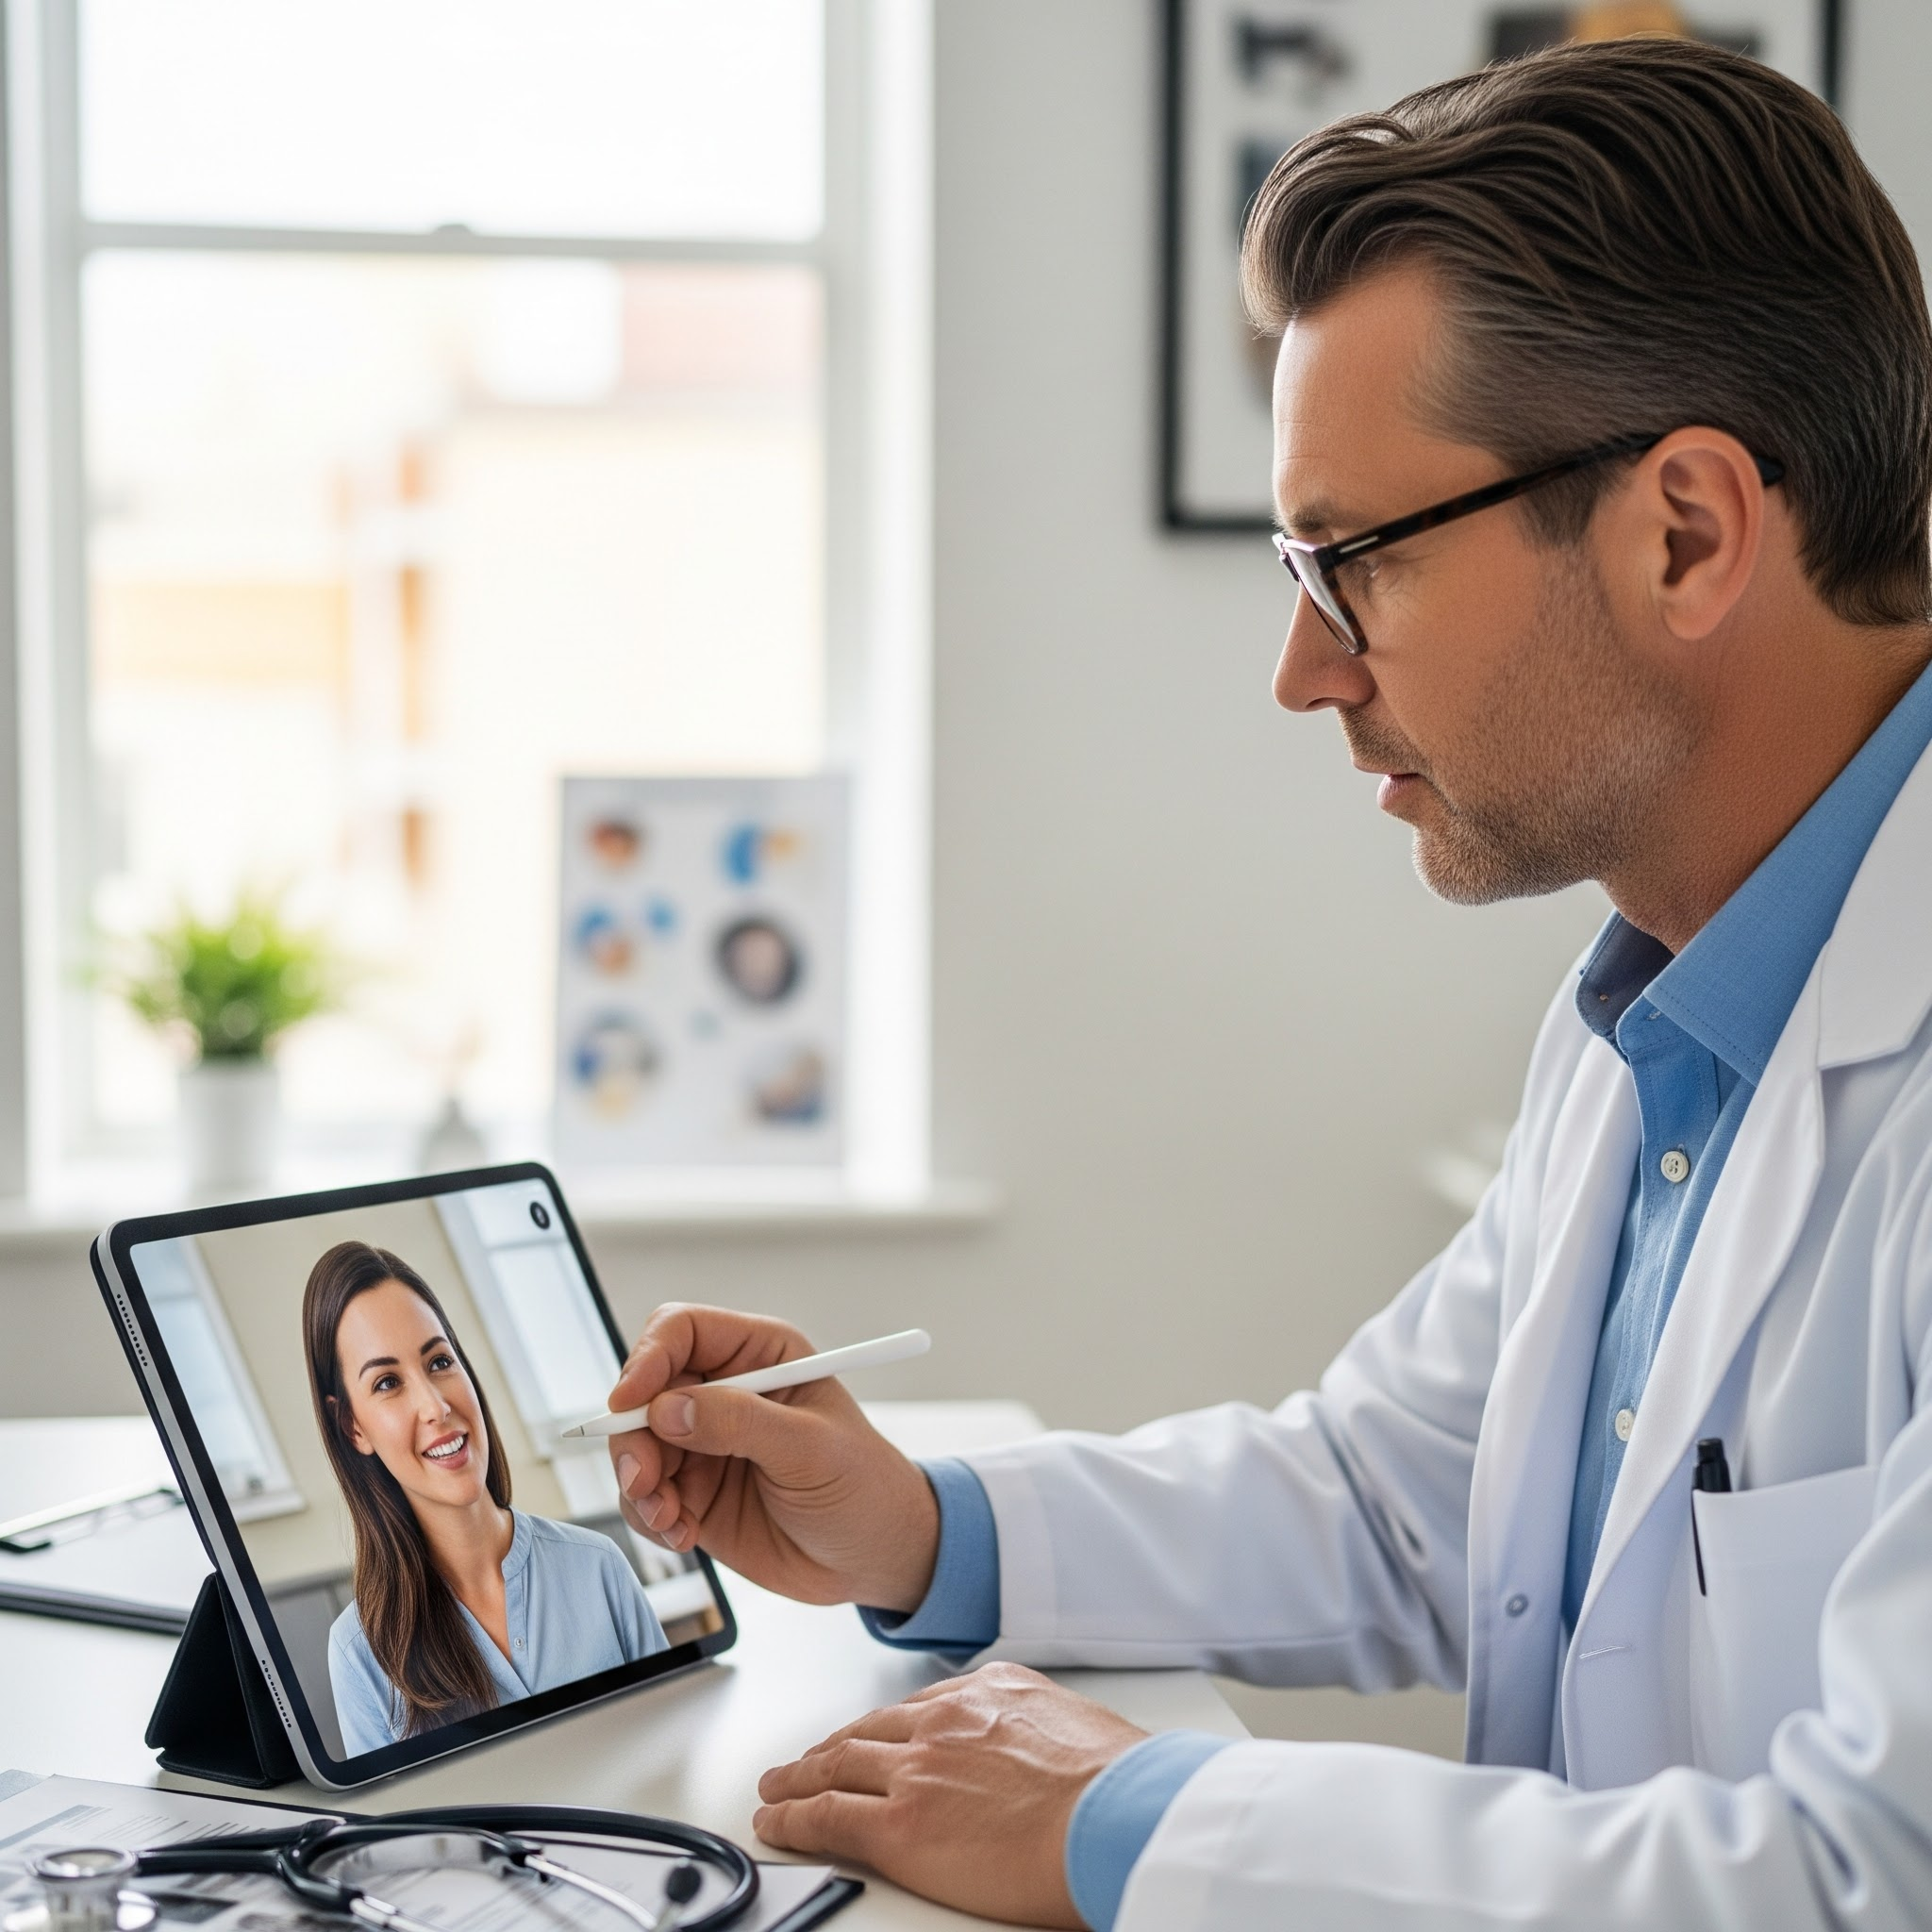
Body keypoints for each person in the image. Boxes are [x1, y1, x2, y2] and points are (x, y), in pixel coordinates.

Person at [600, 36, 1932, 1932]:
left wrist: (1125, 1820)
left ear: (1685, 533)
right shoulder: (1674, 1002)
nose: (1304, 672)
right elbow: (1394, 1492)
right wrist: (916, 1523)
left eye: (1353, 564)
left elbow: (1866, 1880)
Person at [304, 1240, 666, 1756]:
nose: (435, 1406)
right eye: (387, 1382)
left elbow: (678, 1745)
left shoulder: (598, 1567)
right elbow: (401, 1835)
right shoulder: (360, 1654)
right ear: (353, 1427)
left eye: (439, 1362)